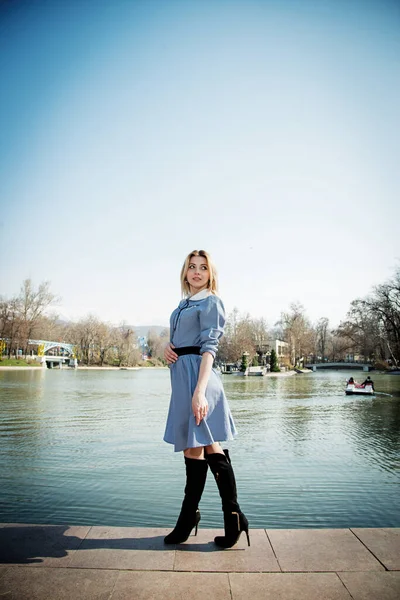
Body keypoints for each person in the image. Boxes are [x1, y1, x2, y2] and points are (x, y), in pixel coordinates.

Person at [163, 249, 250, 548]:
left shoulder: (212, 300)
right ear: (185, 272)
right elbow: (182, 340)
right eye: (192, 267)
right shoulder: (184, 303)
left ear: (210, 273)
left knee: (200, 447)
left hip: (199, 379)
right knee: (200, 448)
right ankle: (228, 518)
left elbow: (209, 347)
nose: (197, 272)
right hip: (182, 378)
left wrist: (199, 391)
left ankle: (196, 518)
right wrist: (168, 347)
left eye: (203, 267)